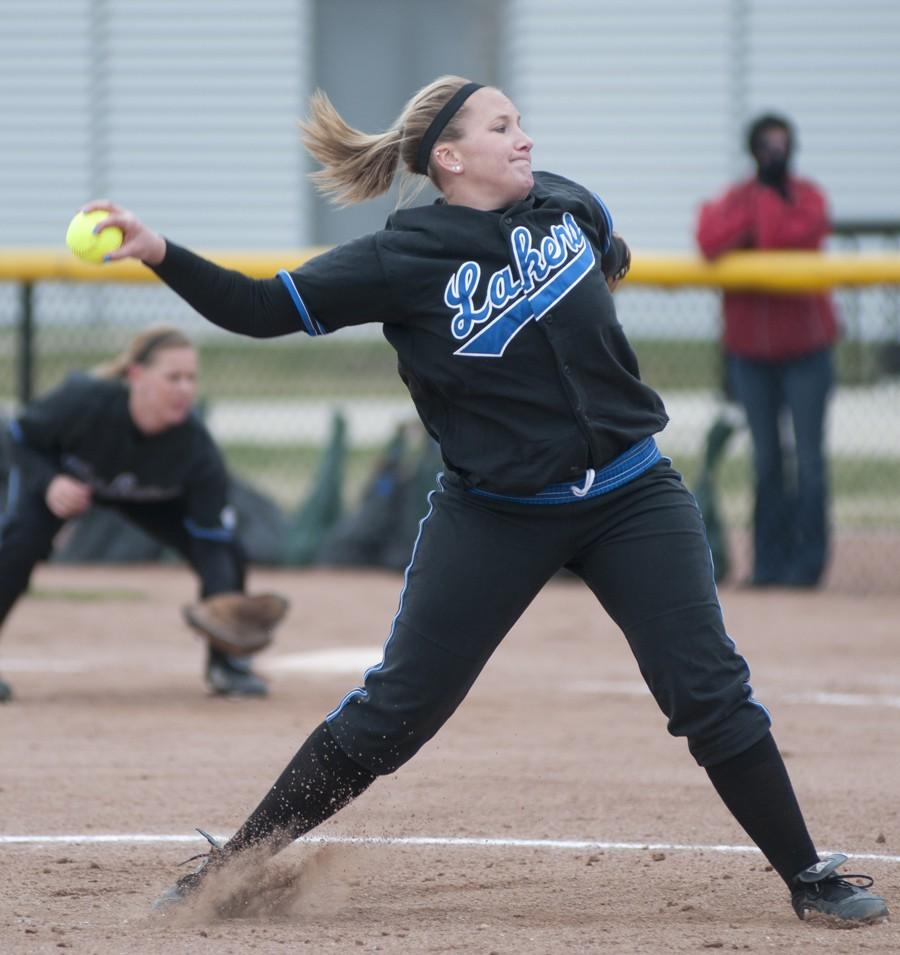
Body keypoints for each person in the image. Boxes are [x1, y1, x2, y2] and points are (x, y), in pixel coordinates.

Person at [86, 78, 885, 924]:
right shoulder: (402, 258)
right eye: (502, 127)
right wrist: (159, 249)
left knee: (709, 689)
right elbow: (258, 308)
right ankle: (232, 867)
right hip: (495, 511)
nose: (525, 138)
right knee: (396, 710)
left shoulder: (564, 203)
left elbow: (604, 245)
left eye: (521, 122)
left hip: (630, 491)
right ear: (450, 157)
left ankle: (808, 876)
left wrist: (599, 266)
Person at [0, 324, 269, 700]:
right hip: (69, 481)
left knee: (229, 552)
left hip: (148, 499)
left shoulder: (198, 451)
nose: (185, 389)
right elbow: (19, 436)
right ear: (137, 375)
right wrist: (48, 483)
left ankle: (226, 666)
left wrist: (224, 608)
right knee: (16, 544)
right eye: (172, 377)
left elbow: (212, 540)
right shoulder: (85, 400)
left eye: (191, 378)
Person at [696, 113, 838, 588]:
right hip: (751, 355)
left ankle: (808, 566)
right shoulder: (739, 196)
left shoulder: (810, 196)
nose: (773, 154)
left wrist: (770, 204)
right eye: (765, 145)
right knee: (766, 461)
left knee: (811, 462)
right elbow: (709, 240)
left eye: (781, 145)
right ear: (752, 148)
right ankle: (770, 565)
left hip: (807, 352)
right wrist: (758, 200)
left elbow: (783, 237)